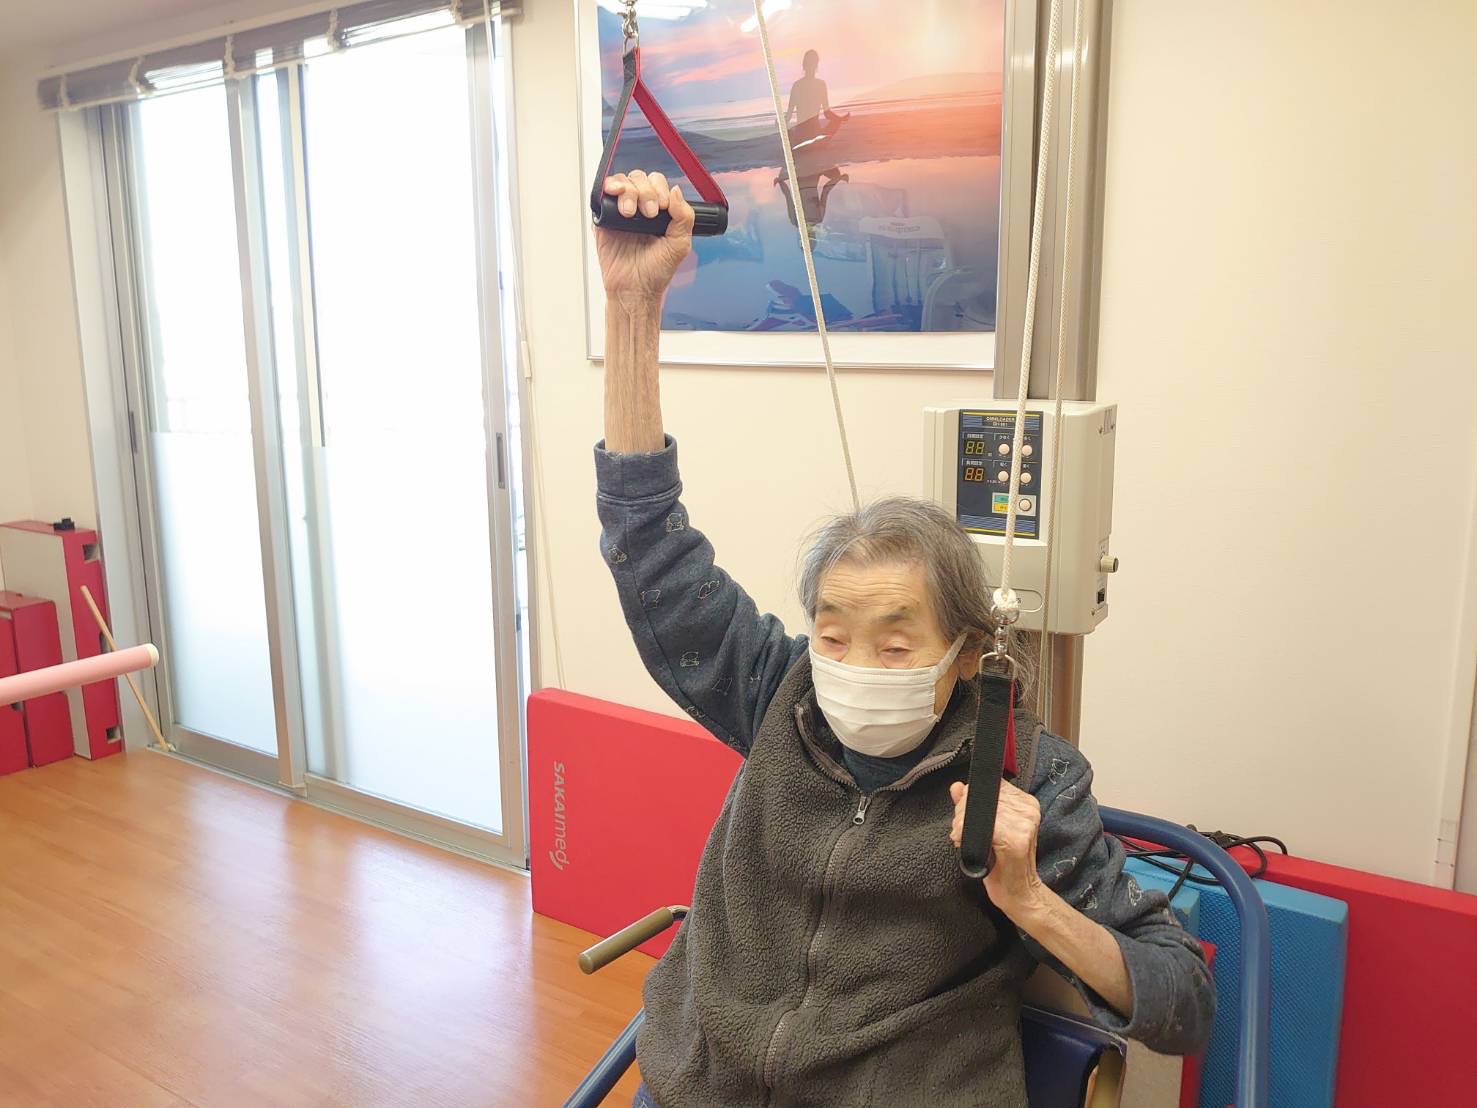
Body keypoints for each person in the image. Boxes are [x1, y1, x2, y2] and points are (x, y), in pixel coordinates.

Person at [593, 170, 1215, 1108]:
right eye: (832, 636)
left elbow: (1182, 1002)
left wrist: (1028, 899)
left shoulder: (1029, 779)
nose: (851, 669)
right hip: (706, 1086)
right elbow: (650, 544)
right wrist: (633, 309)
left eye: (893, 648)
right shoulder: (777, 692)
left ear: (964, 655)